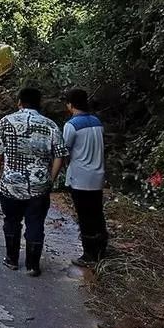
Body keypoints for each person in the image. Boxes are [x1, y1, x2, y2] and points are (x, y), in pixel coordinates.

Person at [0, 87, 67, 276]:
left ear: (19, 102)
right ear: (39, 103)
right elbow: (59, 155)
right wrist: (51, 178)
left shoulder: (6, 122)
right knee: (35, 223)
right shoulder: (50, 125)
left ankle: (12, 260)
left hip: (11, 185)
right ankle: (33, 265)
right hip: (39, 186)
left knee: (12, 221)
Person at [63, 88, 108, 267]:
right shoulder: (97, 122)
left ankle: (89, 254)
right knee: (97, 213)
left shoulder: (72, 125)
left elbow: (63, 150)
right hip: (97, 176)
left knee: (84, 217)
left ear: (70, 104)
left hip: (80, 177)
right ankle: (101, 249)